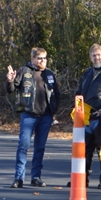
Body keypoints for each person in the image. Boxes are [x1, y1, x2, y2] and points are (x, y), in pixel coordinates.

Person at [6, 47, 61, 188]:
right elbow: (11, 89)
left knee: (40, 147)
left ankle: (36, 177)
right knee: (23, 146)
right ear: (32, 59)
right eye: (39, 58)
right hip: (29, 115)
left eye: (44, 58)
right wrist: (10, 80)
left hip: (46, 117)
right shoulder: (24, 71)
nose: (42, 61)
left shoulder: (49, 74)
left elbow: (57, 95)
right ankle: (19, 178)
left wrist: (53, 111)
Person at [71, 44, 101, 189]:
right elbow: (79, 93)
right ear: (90, 57)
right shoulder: (87, 74)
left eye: (99, 54)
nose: (96, 57)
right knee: (84, 149)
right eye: (94, 55)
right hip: (86, 119)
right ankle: (82, 177)